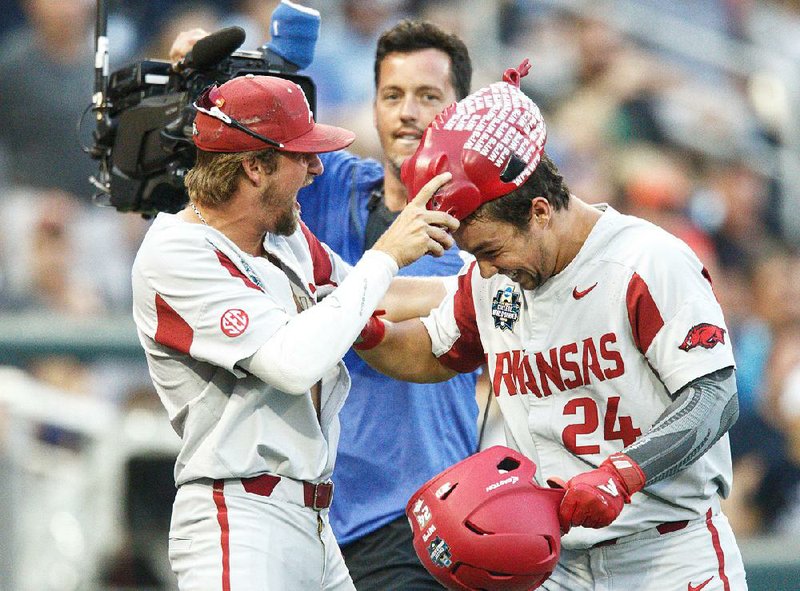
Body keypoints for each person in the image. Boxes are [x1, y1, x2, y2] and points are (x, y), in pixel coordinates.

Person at [357, 61, 749, 590]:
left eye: (491, 250)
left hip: (668, 553)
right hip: (555, 563)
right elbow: (433, 352)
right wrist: (361, 330)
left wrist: (623, 474)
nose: (487, 268)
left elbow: (714, 397)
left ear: (540, 210)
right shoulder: (492, 278)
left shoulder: (643, 261)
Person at [170, 17, 482, 590]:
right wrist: (200, 86)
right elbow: (249, 150)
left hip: (417, 511)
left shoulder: (480, 235)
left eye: (428, 96)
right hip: (310, 512)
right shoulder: (332, 183)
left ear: (459, 111)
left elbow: (385, 307)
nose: (408, 112)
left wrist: (479, 288)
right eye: (393, 95)